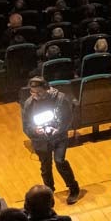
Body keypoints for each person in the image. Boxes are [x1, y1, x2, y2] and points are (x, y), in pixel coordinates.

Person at [21, 77, 82, 205]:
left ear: (47, 89)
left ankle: (74, 188)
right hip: (40, 140)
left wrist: (58, 129)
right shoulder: (28, 104)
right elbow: (26, 126)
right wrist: (35, 131)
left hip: (59, 137)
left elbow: (68, 118)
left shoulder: (60, 99)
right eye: (32, 92)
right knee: (45, 167)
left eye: (39, 92)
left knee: (60, 161)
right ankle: (49, 194)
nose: (35, 96)